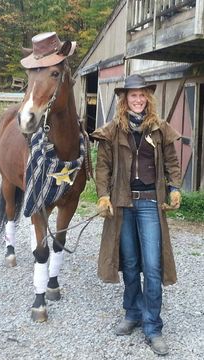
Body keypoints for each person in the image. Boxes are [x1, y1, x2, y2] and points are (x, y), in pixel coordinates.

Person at [91, 74, 182, 356]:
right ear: (124, 99)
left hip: (150, 203)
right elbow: (103, 166)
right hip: (123, 203)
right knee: (129, 263)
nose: (138, 99)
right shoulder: (112, 130)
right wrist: (103, 195)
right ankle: (132, 313)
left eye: (143, 95)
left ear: (148, 98)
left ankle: (153, 326)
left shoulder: (160, 128)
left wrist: (175, 187)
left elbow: (171, 161)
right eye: (133, 95)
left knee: (153, 267)